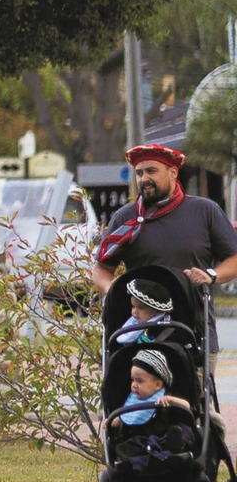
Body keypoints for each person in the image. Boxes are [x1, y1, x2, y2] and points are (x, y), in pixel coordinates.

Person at [90, 143, 237, 296]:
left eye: (151, 171)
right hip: (141, 311)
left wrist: (211, 275)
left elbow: (234, 258)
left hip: (194, 311)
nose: (144, 178)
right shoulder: (125, 218)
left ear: (173, 173)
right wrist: (111, 289)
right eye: (139, 173)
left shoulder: (205, 210)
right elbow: (102, 268)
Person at [113, 277, 175, 345]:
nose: (134, 312)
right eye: (133, 306)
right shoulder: (137, 320)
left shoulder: (158, 330)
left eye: (141, 307)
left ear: (157, 311)